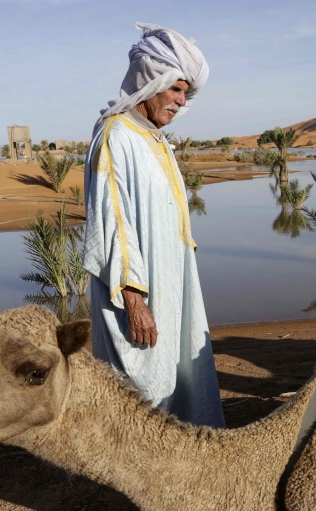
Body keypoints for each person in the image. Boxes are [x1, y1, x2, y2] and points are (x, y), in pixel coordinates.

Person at [82, 23, 224, 427]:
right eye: (176, 89)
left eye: (185, 92)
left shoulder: (155, 139)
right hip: (138, 291)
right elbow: (114, 222)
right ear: (151, 81)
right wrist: (134, 298)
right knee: (142, 382)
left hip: (172, 283)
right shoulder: (116, 136)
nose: (181, 101)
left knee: (179, 375)